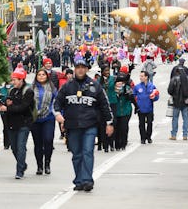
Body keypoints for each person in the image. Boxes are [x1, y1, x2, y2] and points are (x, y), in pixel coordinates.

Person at [54, 56, 114, 192]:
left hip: (90, 125)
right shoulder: (67, 86)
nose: (80, 70)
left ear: (87, 69)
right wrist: (58, 114)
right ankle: (79, 180)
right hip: (73, 125)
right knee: (77, 154)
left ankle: (87, 180)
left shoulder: (95, 85)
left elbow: (105, 105)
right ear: (75, 69)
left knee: (87, 152)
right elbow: (57, 103)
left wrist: (109, 123)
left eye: (83, 68)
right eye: (78, 68)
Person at [0, 65, 34, 179]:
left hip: (24, 122)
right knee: (14, 147)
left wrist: (8, 108)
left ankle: (19, 171)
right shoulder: (12, 90)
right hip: (12, 123)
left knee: (21, 146)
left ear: (21, 79)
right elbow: (9, 103)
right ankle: (22, 164)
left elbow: (23, 107)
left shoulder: (28, 91)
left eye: (14, 80)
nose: (13, 82)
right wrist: (4, 104)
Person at [31, 68, 56, 175]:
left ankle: (47, 163)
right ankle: (39, 166)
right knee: (38, 143)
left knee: (48, 140)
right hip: (35, 119)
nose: (41, 76)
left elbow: (57, 102)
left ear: (47, 76)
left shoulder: (52, 88)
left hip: (48, 117)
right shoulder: (31, 89)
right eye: (39, 74)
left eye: (43, 74)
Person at [108, 65, 134, 150]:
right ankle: (117, 144)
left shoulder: (127, 87)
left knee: (124, 127)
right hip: (116, 111)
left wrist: (128, 95)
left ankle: (123, 143)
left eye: (122, 81)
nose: (120, 83)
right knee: (117, 128)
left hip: (126, 110)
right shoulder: (112, 89)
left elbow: (132, 98)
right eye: (119, 81)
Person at [168, 57, 188, 140]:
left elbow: (170, 90)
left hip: (176, 101)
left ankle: (174, 134)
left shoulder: (174, 79)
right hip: (185, 101)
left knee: (175, 118)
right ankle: (185, 134)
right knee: (185, 118)